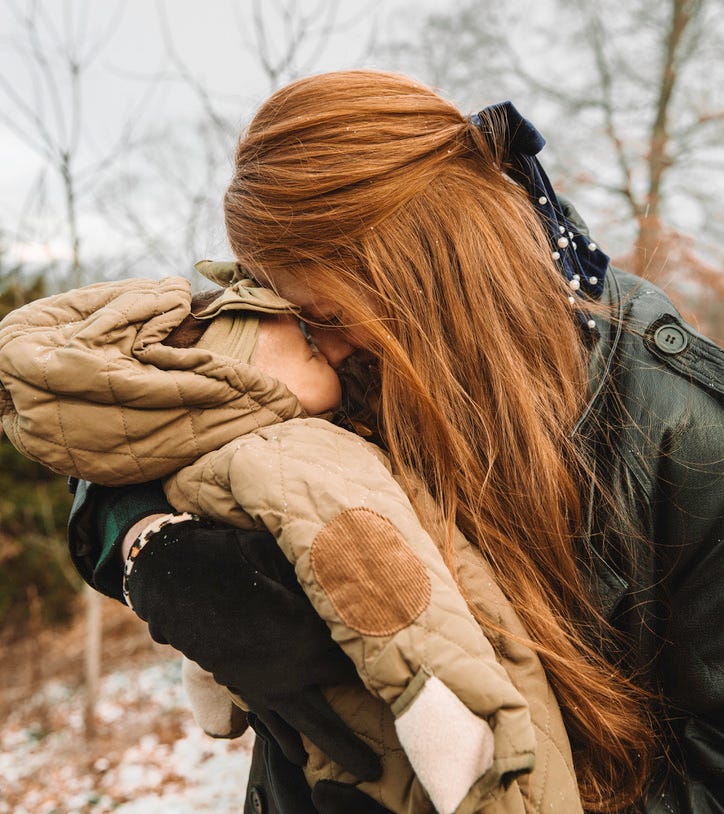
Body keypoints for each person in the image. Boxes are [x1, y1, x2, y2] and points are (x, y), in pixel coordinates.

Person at [63, 71, 721, 814]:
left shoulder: (681, 428)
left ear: (420, 278)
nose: (317, 348)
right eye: (289, 312)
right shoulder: (320, 334)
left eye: (325, 315)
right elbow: (118, 412)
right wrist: (148, 546)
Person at [0, 266, 584, 813]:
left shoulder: (218, 456)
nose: (323, 338)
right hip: (457, 731)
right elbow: (374, 572)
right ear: (213, 373)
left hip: (387, 739)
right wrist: (454, 719)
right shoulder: (289, 447)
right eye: (301, 327)